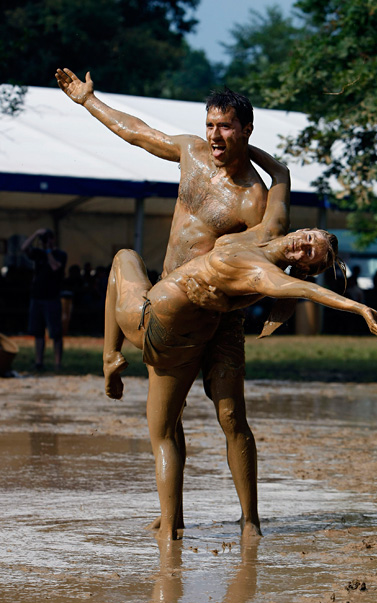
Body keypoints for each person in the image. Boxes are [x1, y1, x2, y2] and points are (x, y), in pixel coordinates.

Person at [56, 68, 292, 538]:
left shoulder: (254, 197)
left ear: (246, 129)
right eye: (210, 124)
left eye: (225, 126)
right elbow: (137, 133)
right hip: (170, 305)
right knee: (167, 418)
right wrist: (88, 101)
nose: (215, 135)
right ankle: (172, 521)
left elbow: (272, 237)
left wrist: (279, 171)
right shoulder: (191, 153)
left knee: (231, 417)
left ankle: (250, 522)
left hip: (220, 315)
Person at [104, 225, 377, 540]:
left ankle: (109, 356)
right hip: (189, 333)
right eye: (309, 238)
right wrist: (277, 172)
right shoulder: (261, 235)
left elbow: (309, 291)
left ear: (304, 268)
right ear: (304, 229)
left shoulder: (265, 274)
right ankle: (176, 521)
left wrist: (359, 308)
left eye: (309, 253)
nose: (302, 245)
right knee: (170, 428)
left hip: (154, 324)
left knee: (124, 257)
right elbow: (278, 189)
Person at [21, 228, 67, 372]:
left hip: (52, 298)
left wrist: (48, 250)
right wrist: (35, 234)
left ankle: (57, 363)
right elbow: (23, 248)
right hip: (37, 297)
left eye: (47, 239)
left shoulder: (60, 254)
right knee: (38, 332)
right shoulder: (38, 253)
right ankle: (39, 362)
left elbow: (54, 267)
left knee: (55, 333)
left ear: (53, 239)